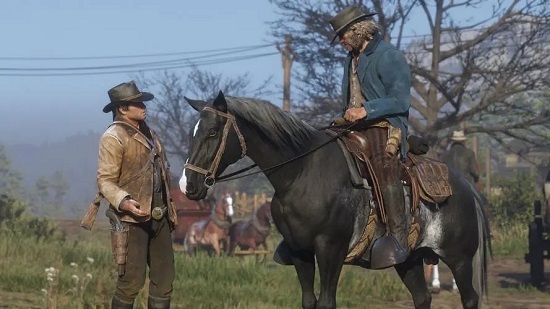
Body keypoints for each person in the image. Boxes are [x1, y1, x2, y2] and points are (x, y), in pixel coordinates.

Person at [273, 5, 412, 269]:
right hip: (356, 124)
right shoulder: (352, 58)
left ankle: (399, 237)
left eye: (344, 36)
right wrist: (343, 116)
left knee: (385, 167)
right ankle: (299, 235)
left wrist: (366, 110)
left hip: (385, 125)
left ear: (358, 31)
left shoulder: (390, 56)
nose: (342, 43)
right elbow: (352, 98)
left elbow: (400, 100)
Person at [97, 81, 177, 309]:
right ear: (122, 108)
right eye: (137, 103)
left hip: (159, 215)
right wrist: (124, 202)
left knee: (164, 279)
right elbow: (105, 180)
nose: (143, 106)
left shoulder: (150, 133)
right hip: (131, 218)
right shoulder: (113, 137)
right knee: (131, 281)